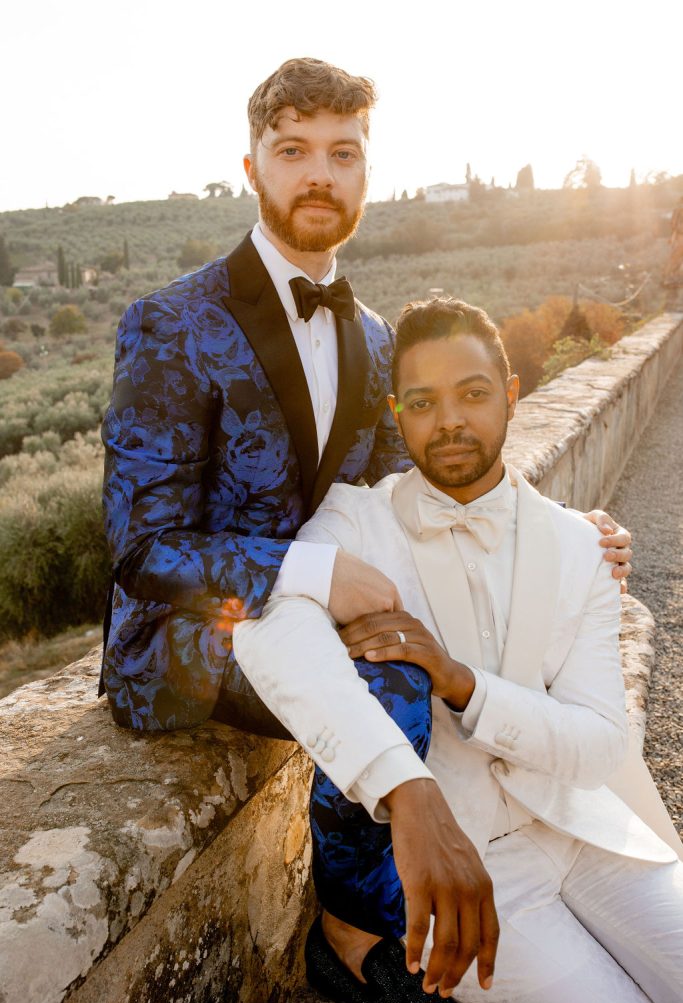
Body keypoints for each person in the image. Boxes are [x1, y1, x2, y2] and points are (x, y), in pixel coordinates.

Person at [99, 56, 631, 740]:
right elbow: (143, 550)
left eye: (342, 153)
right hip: (190, 641)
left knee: (501, 643)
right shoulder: (169, 323)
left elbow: (409, 486)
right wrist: (316, 572)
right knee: (391, 685)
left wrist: (562, 527)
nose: (320, 173)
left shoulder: (377, 338)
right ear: (252, 169)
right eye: (293, 150)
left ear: (365, 176)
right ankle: (400, 850)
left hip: (328, 614)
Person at [234, 297, 683, 1003]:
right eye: (422, 402)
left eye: (472, 394)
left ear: (509, 394)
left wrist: (462, 683)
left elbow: (600, 743)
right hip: (463, 864)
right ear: (396, 413)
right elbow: (265, 626)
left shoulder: (579, 543)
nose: (448, 421)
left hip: (586, 831)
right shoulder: (356, 520)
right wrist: (401, 786)